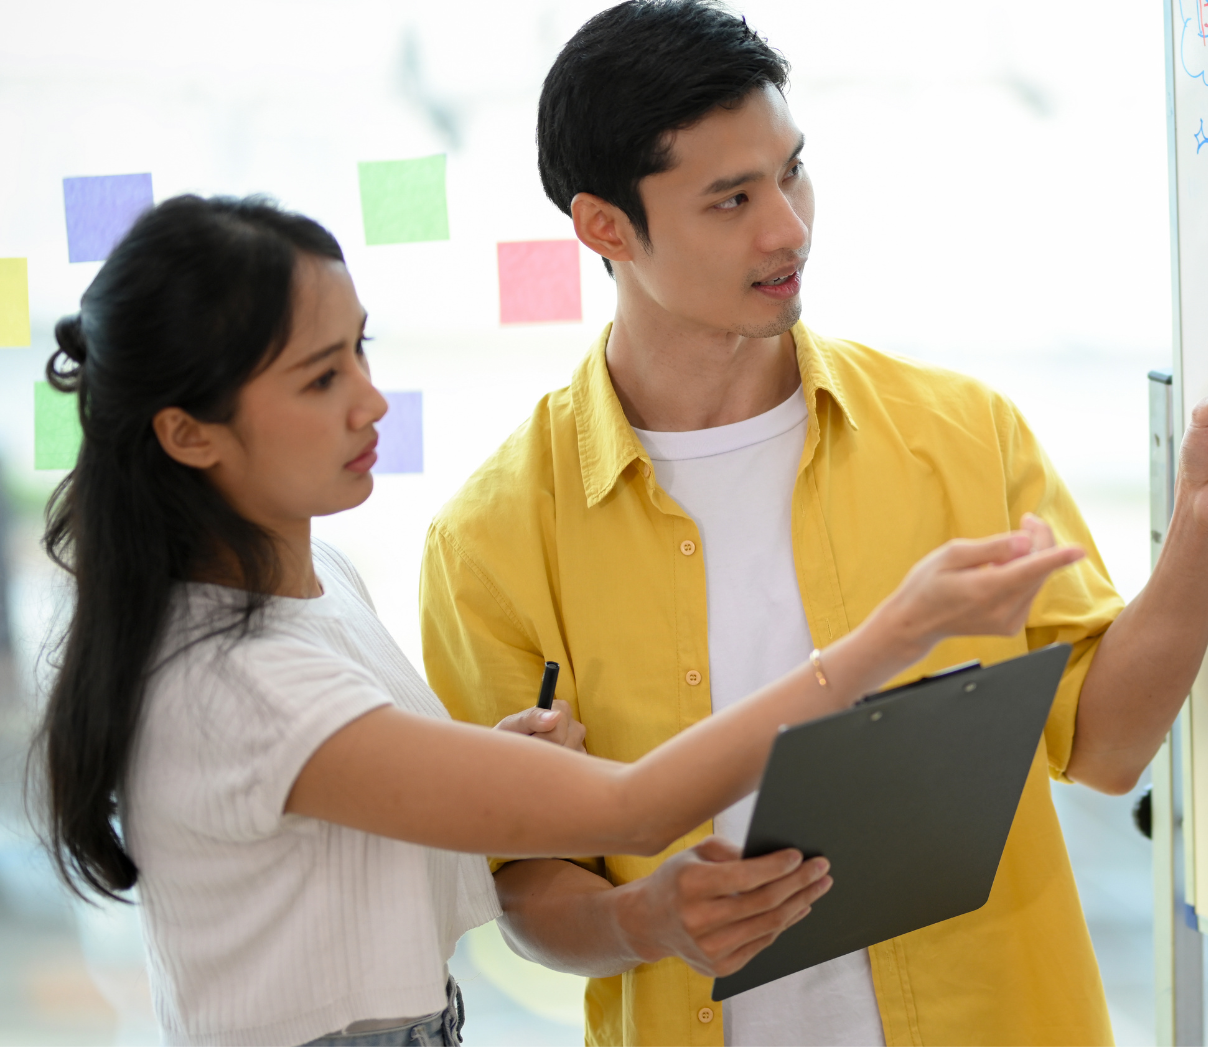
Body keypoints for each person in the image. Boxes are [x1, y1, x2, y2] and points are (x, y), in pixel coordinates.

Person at [422, 0, 1208, 1047]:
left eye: (792, 170)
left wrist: (1204, 522)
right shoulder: (491, 541)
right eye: (730, 200)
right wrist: (640, 920)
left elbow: (1105, 747)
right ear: (603, 226)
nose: (789, 227)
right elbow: (523, 886)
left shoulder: (959, 433)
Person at [29, 194, 1085, 1047]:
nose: (372, 402)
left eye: (362, 350)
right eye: (320, 378)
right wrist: (892, 636)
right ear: (187, 433)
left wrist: (482, 768)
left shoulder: (316, 583)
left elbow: (351, 830)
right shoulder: (231, 678)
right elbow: (628, 812)